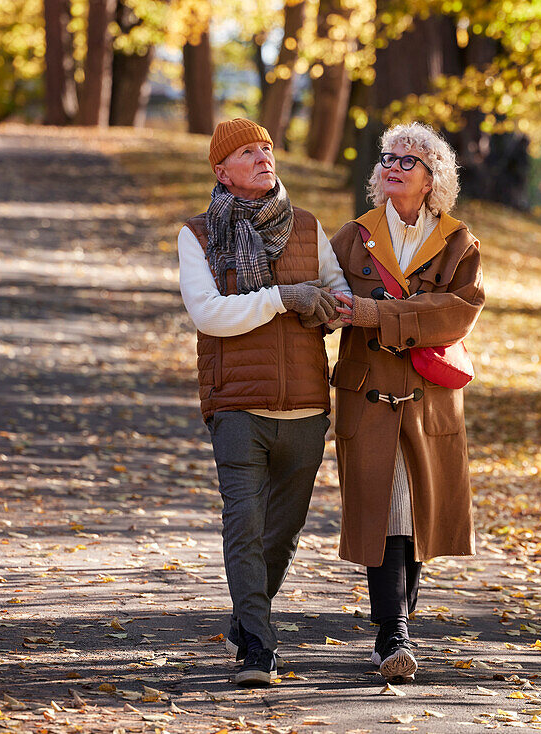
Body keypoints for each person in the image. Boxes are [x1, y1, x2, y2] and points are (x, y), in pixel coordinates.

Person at [177, 118, 347, 686]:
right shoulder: (198, 235)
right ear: (221, 171)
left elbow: (339, 291)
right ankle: (258, 646)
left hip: (304, 405)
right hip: (237, 407)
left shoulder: (306, 227)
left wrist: (322, 302)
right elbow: (209, 314)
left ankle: (245, 619)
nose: (262, 157)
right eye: (247, 152)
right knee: (244, 523)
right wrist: (281, 298)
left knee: (282, 533)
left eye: (266, 148)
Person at [331, 123, 484, 682]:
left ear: (432, 179)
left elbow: (458, 313)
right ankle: (392, 632)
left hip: (428, 397)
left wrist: (379, 315)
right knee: (383, 511)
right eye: (388, 158)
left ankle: (395, 628)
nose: (393, 165)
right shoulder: (352, 236)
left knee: (415, 512)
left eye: (409, 160)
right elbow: (329, 301)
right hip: (368, 394)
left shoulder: (459, 241)